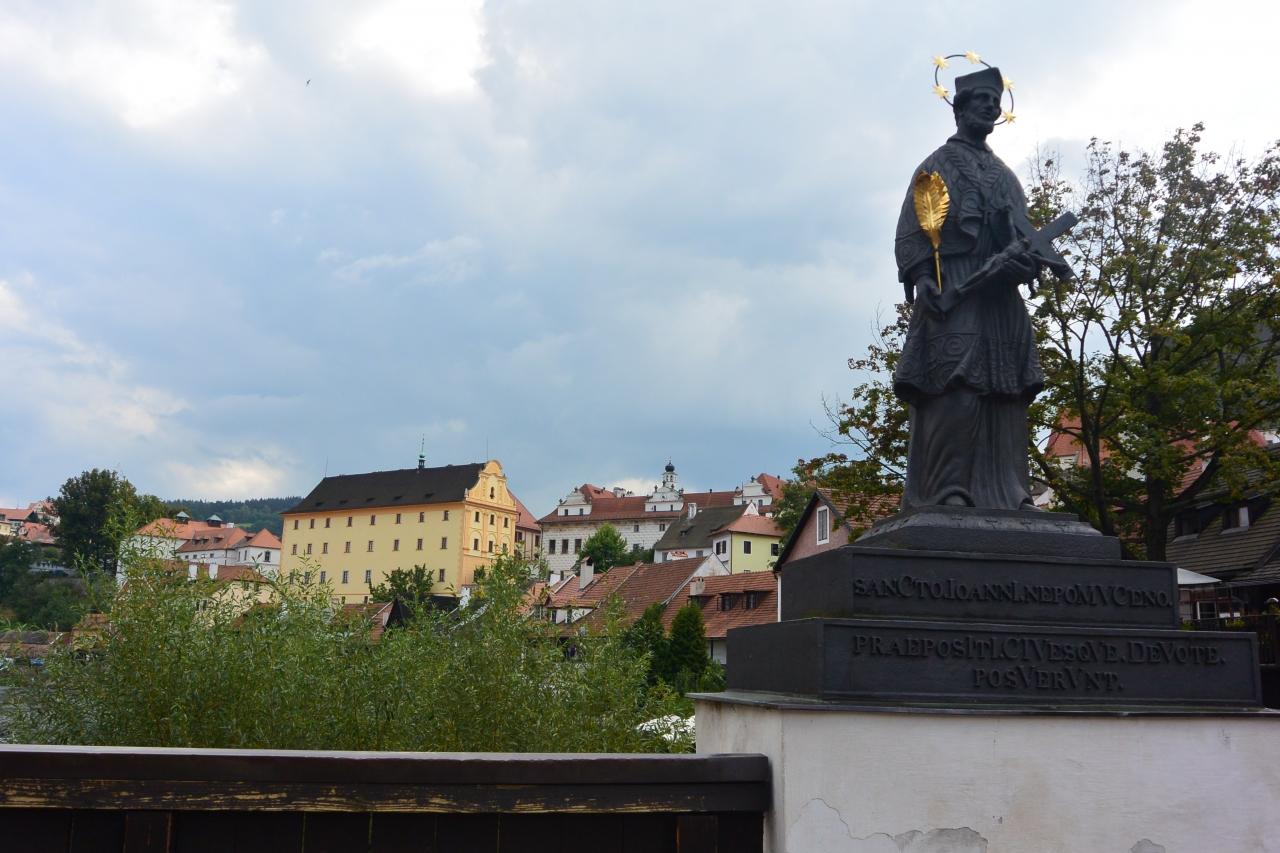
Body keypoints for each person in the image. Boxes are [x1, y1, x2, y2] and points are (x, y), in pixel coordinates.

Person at [893, 65, 1046, 511]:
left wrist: (1026, 260)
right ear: (959, 108)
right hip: (953, 284)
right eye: (981, 100)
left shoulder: (1004, 175)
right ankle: (948, 490)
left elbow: (1023, 235)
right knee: (956, 385)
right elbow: (912, 229)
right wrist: (924, 278)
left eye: (995, 102)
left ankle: (1011, 492)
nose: (990, 107)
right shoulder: (936, 164)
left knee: (1007, 392)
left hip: (1000, 295)